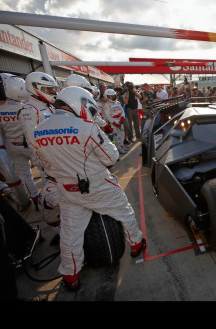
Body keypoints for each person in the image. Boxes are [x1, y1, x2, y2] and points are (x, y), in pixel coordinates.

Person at [31, 86, 146, 291]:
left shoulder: (38, 131)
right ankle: (136, 245)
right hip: (98, 185)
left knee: (70, 235)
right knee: (125, 213)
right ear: (80, 102)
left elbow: (45, 166)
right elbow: (111, 157)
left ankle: (71, 276)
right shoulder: (86, 127)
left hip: (67, 189)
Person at [18, 72, 60, 201]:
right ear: (35, 87)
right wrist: (44, 165)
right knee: (53, 195)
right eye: (49, 89)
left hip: (58, 157)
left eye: (53, 89)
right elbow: (32, 142)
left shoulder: (48, 106)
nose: (53, 92)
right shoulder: (29, 110)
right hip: (48, 163)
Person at [0, 73, 39, 210]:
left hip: (12, 147)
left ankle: (34, 200)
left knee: (24, 176)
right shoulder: (28, 107)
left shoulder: (1, 109)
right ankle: (49, 199)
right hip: (31, 146)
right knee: (46, 172)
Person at [102, 89, 127, 154]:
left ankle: (122, 146)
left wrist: (122, 118)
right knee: (116, 137)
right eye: (110, 96)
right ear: (107, 96)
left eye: (113, 96)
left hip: (120, 122)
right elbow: (108, 116)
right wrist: (114, 123)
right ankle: (119, 149)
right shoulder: (107, 105)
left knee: (122, 134)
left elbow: (122, 111)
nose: (112, 98)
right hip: (113, 123)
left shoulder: (118, 102)